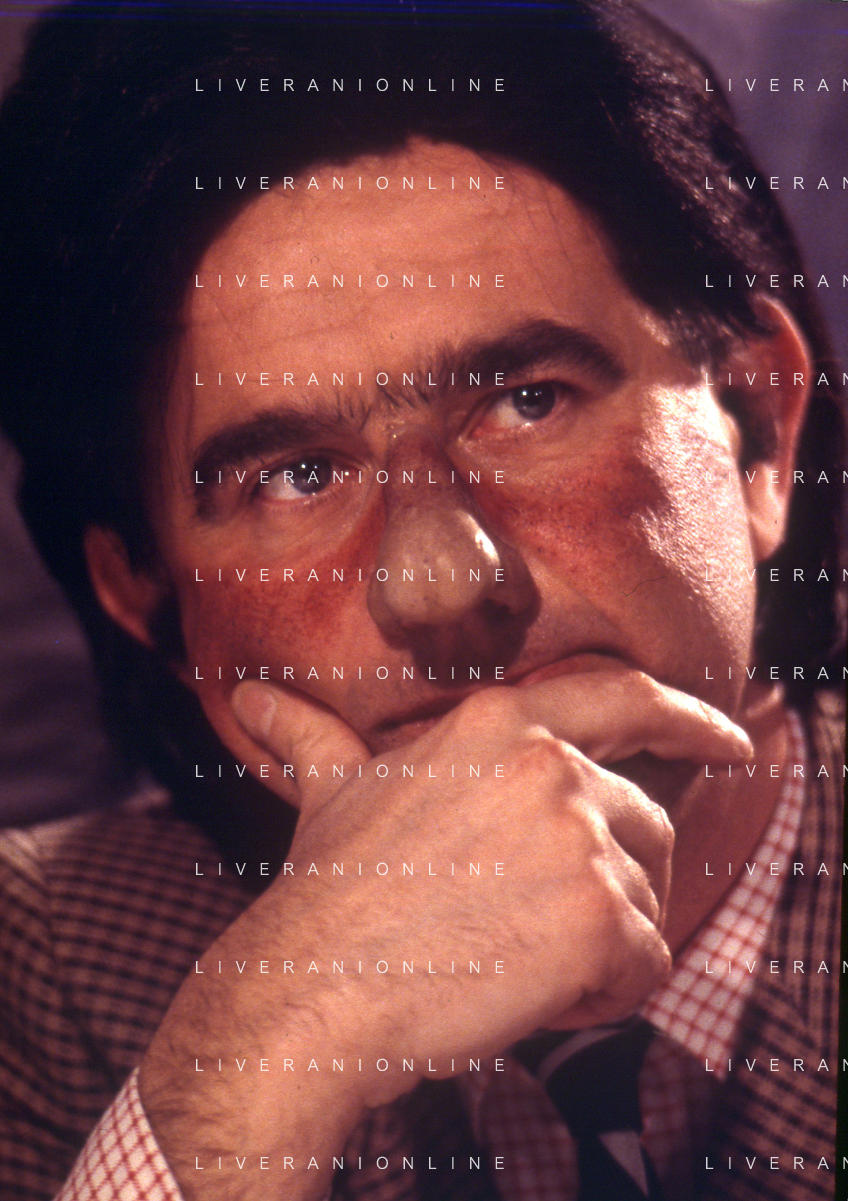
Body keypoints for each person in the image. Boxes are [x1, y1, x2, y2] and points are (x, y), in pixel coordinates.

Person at [0, 2, 843, 1199]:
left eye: (527, 403)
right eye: (296, 476)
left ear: (756, 432)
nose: (441, 581)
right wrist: (276, 1035)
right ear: (150, 601)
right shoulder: (38, 966)